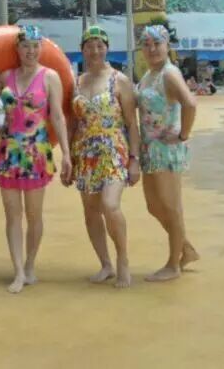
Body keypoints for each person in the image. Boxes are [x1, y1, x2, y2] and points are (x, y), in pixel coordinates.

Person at [0, 25, 71, 294]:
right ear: (17, 49)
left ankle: (30, 263)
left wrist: (66, 153)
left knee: (34, 215)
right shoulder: (6, 76)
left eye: (35, 46)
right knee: (12, 214)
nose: (31, 51)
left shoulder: (50, 77)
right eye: (25, 46)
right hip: (8, 151)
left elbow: (57, 116)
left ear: (41, 48)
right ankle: (18, 271)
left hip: (35, 153)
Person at [68, 26, 141, 288]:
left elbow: (132, 123)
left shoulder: (120, 80)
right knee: (90, 212)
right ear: (82, 50)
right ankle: (105, 264)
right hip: (85, 153)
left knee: (110, 205)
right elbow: (72, 123)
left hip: (113, 151)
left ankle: (123, 260)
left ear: (107, 48)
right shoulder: (77, 82)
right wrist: (68, 158)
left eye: (100, 45)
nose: (95, 51)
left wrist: (134, 159)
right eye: (89, 46)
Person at [135, 25, 200, 281]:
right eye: (146, 44)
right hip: (150, 149)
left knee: (172, 207)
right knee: (153, 206)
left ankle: (173, 265)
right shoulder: (149, 74)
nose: (152, 49)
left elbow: (190, 103)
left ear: (167, 46)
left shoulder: (169, 73)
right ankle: (186, 248)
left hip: (166, 149)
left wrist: (183, 135)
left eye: (157, 44)